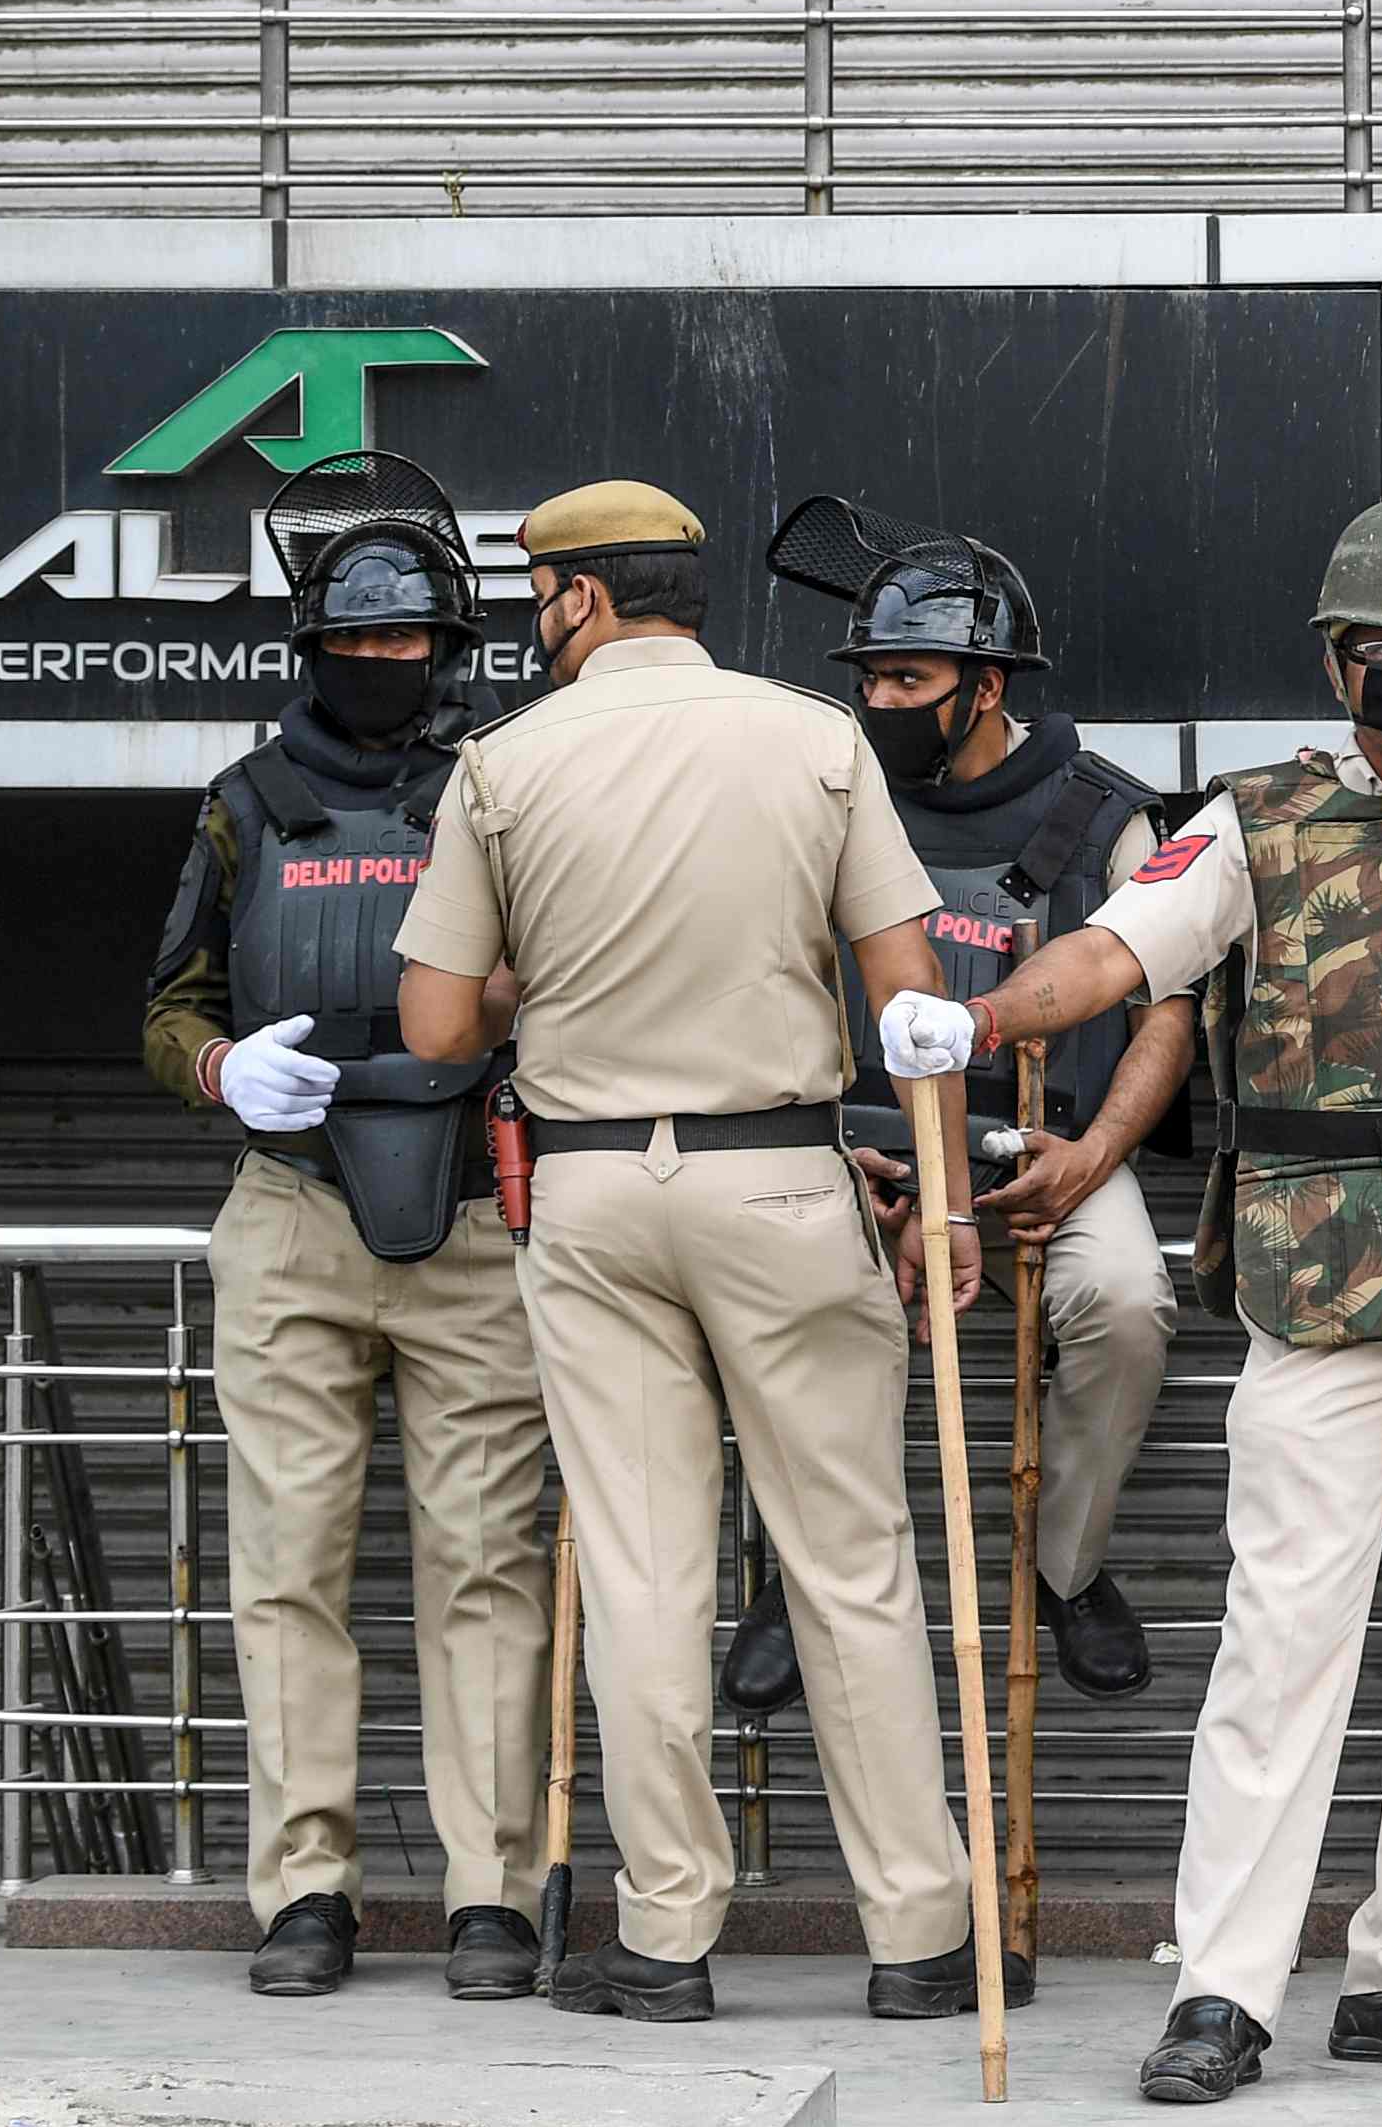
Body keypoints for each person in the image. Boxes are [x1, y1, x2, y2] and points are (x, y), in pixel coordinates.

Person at [898, 495, 1382, 2108]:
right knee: (1282, 1640)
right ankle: (1225, 1990)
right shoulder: (1253, 820)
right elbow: (1110, 956)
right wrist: (971, 1024)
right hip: (1320, 1280)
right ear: (1336, 660)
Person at [387, 482, 998, 2028]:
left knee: (645, 1572)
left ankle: (666, 1943)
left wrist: (554, 970)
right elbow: (910, 992)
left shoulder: (505, 766)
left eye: (542, 595)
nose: (537, 621)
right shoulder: (813, 738)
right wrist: (940, 1204)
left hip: (593, 1196)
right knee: (853, 1563)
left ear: (582, 600)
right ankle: (921, 1940)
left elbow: (439, 1027)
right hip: (782, 1178)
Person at [146, 472, 551, 2000]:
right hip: (293, 1204)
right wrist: (215, 1067)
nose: (386, 669)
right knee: (288, 1569)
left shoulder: (501, 791)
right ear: (312, 646)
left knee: (485, 1566)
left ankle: (491, 1892)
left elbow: (574, 971)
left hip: (468, 1211)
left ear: (454, 649)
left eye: (414, 647)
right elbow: (171, 1003)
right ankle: (304, 1889)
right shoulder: (248, 802)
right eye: (359, 647)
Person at [731, 516, 1173, 1722]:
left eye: (907, 678)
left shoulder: (1109, 818)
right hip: (855, 1147)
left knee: (1128, 1302)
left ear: (986, 687)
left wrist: (1094, 1158)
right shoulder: (829, 799)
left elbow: (1172, 1011)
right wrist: (833, 1145)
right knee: (784, 1296)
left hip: (1041, 1146)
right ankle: (796, 1574)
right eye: (869, 676)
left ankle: (1067, 1569)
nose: (879, 698)